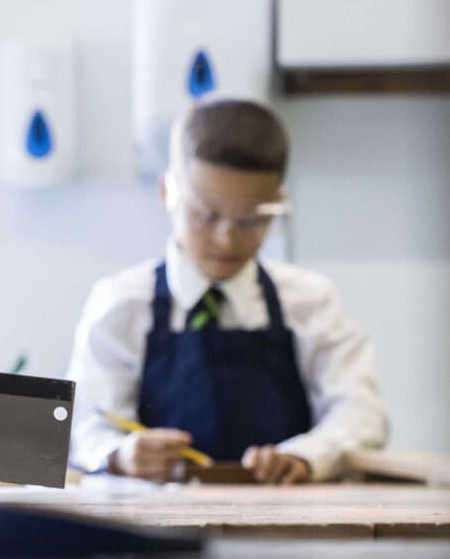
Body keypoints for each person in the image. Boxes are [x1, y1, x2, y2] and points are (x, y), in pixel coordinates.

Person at [67, 98, 389, 484]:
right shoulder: (121, 304)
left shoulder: (309, 301)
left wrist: (306, 457)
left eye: (251, 220)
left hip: (286, 526)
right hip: (155, 530)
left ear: (279, 204)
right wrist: (122, 454)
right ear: (167, 191)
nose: (226, 238)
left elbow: (361, 414)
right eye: (206, 214)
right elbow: (88, 424)